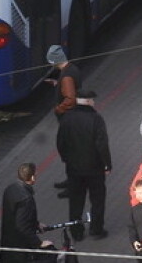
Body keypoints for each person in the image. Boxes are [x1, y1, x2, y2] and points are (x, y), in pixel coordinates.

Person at [57, 90, 111, 240]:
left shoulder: (67, 118)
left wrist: (66, 159)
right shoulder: (96, 119)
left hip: (74, 169)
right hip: (94, 168)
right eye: (92, 100)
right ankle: (96, 229)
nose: (94, 102)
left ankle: (76, 231)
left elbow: (60, 142)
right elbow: (102, 144)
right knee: (98, 199)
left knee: (75, 200)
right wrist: (107, 164)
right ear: (87, 101)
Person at [0, 163, 52, 262]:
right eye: (35, 174)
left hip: (8, 239)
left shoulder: (10, 188)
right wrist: (38, 243)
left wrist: (36, 224)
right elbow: (22, 226)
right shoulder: (26, 199)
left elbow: (19, 215)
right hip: (20, 247)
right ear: (32, 177)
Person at [47, 44, 81, 196]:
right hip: (74, 118)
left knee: (70, 152)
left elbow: (70, 99)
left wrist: (58, 109)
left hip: (68, 119)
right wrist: (57, 85)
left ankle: (73, 186)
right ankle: (71, 181)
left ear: (56, 60)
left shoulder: (66, 76)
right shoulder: (71, 69)